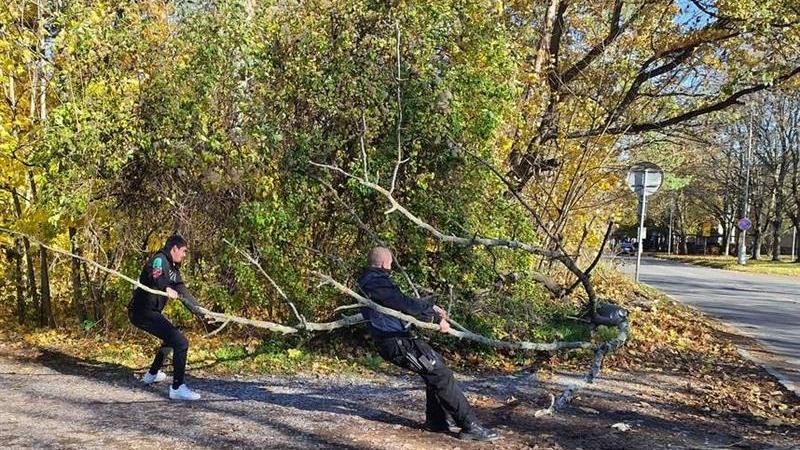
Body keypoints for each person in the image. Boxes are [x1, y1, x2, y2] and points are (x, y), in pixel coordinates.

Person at [357, 247, 500, 442]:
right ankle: (470, 426)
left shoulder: (373, 281)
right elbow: (403, 304)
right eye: (390, 264)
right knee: (439, 373)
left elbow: (401, 306)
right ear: (384, 264)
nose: (391, 267)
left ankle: (436, 421)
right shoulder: (375, 282)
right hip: (395, 342)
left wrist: (432, 313)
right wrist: (430, 307)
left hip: (399, 339)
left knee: (436, 368)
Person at [128, 234, 202, 401]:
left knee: (172, 338)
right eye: (183, 251)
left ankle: (152, 374)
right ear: (174, 248)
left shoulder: (174, 268)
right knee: (181, 342)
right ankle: (177, 387)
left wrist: (201, 312)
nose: (184, 254)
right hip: (141, 312)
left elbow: (182, 291)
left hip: (150, 313)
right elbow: (157, 275)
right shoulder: (160, 259)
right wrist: (166, 287)